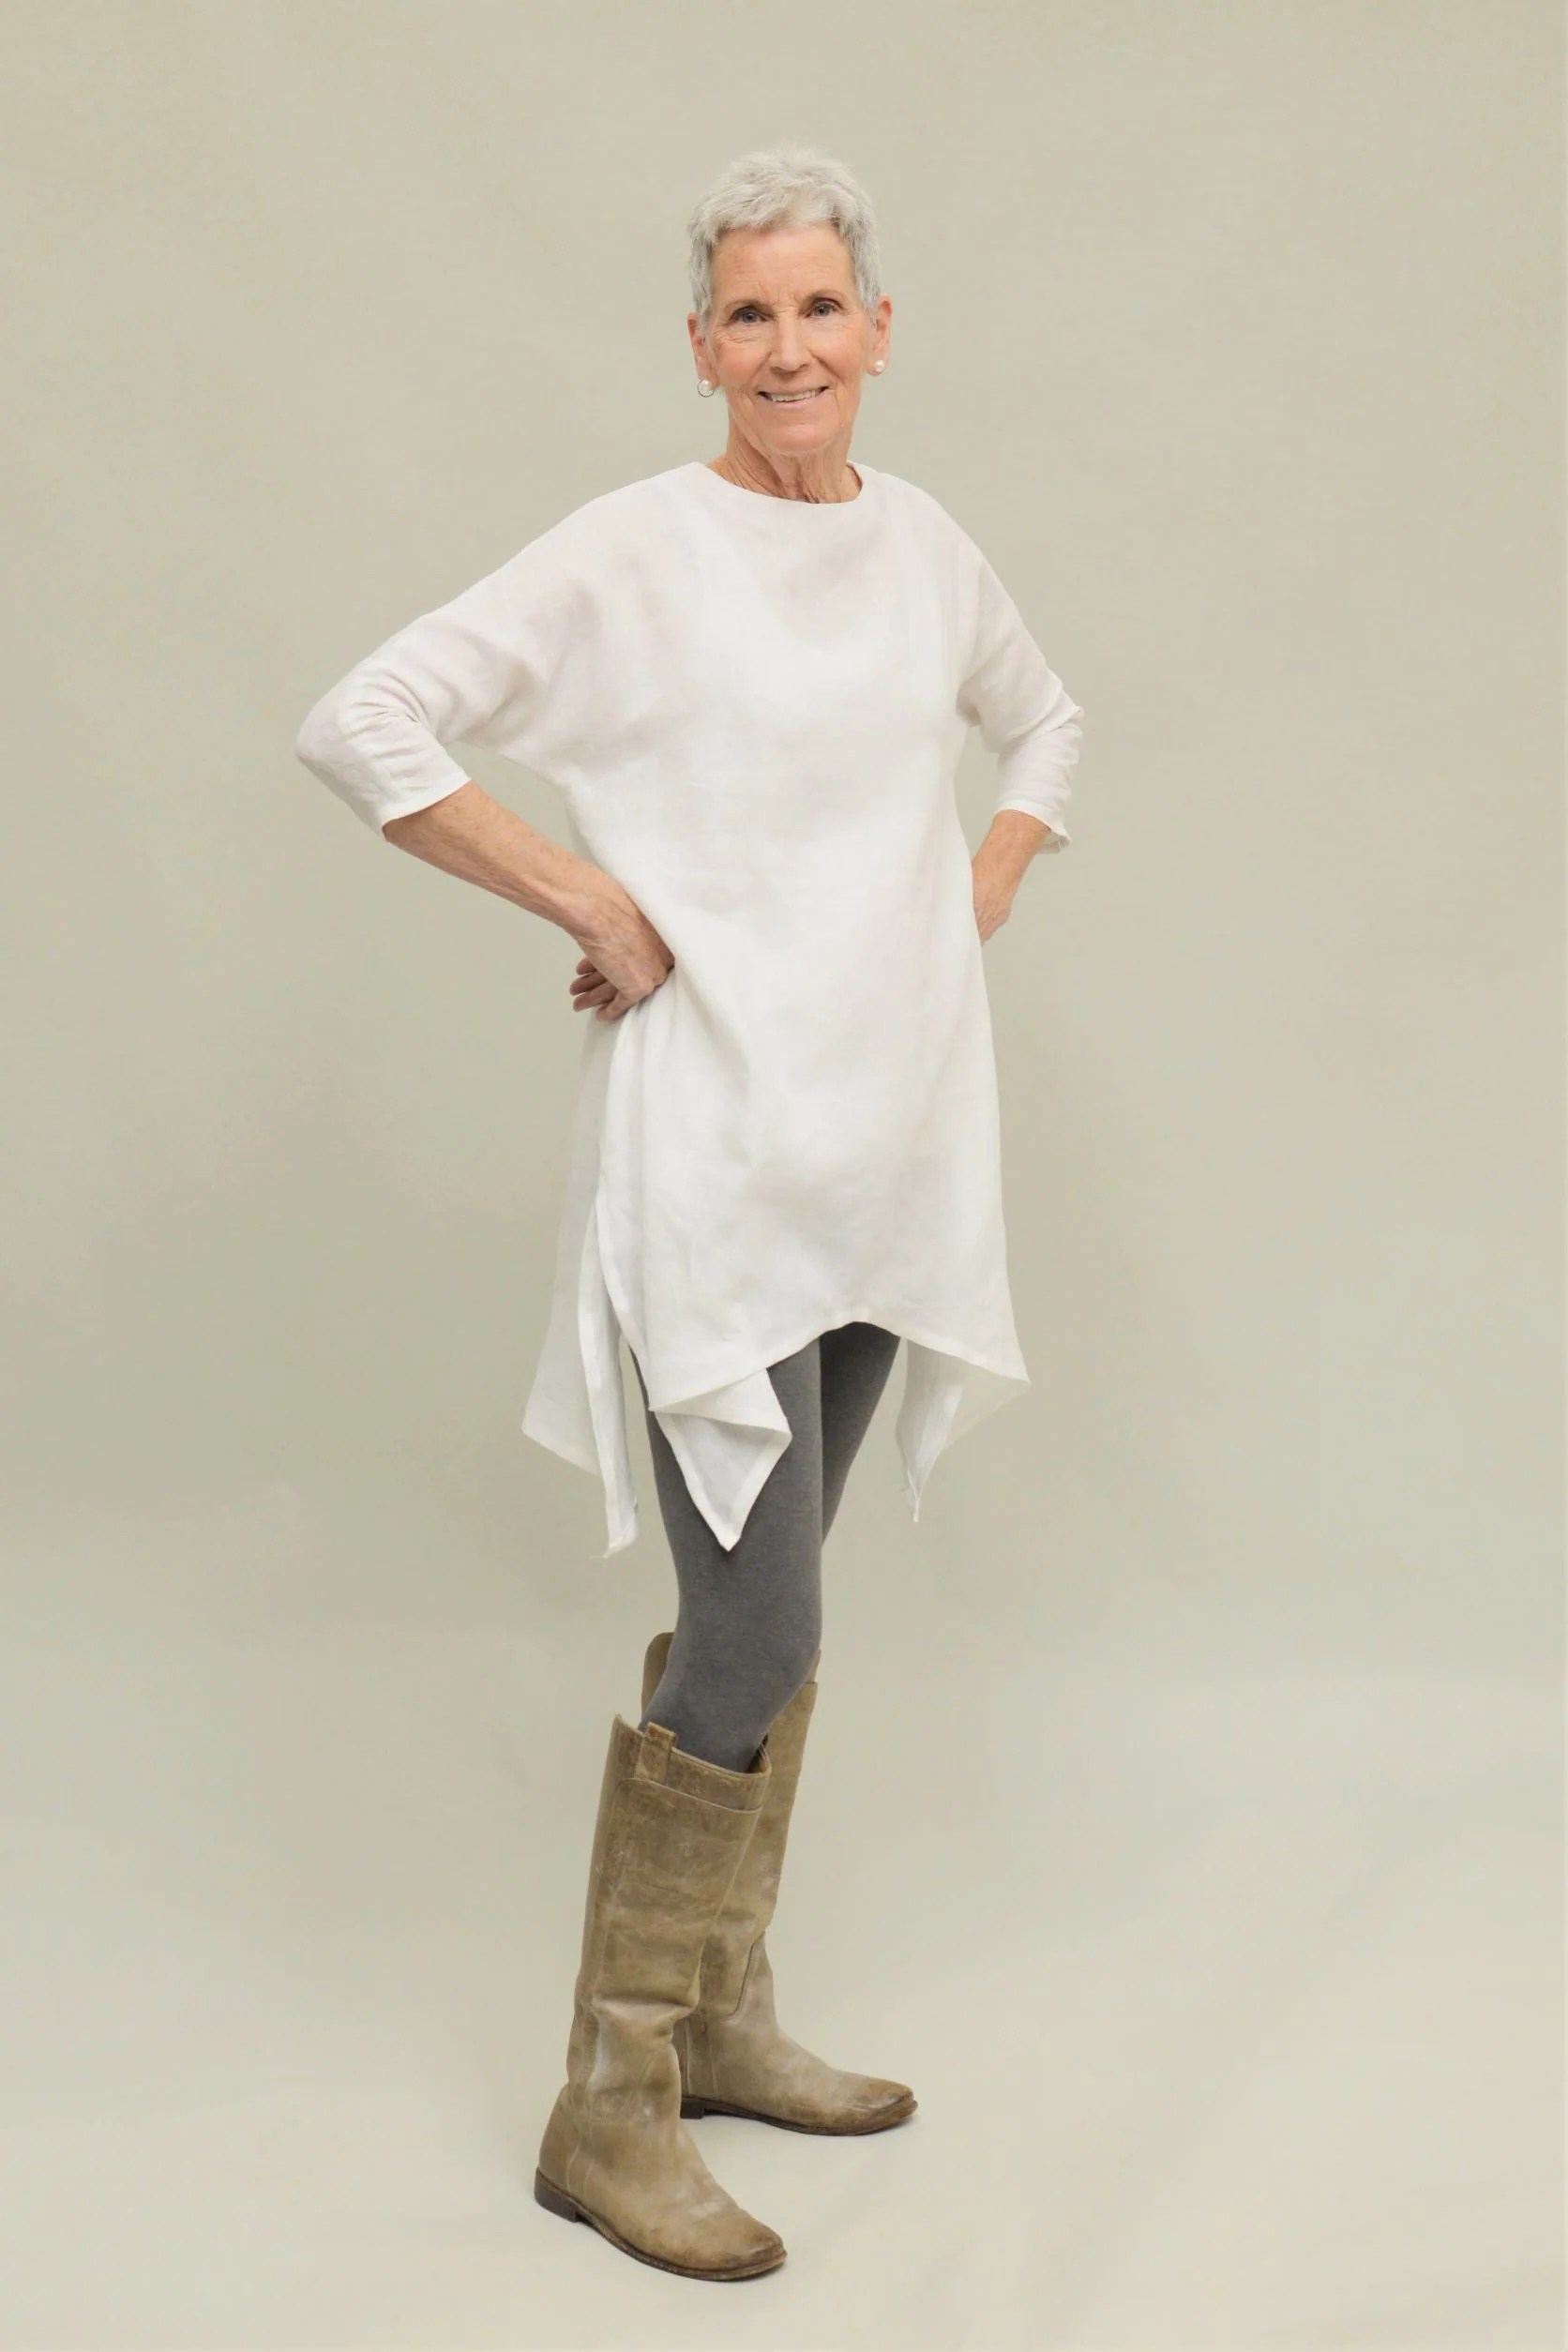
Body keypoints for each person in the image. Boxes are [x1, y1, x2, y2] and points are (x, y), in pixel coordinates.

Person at [294, 141, 1083, 2284]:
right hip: (717, 1159)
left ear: (879, 329)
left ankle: (719, 2021)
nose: (788, 347)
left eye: (820, 307)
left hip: (891, 1157)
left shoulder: (923, 548)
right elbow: (363, 722)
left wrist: (981, 874)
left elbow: (1041, 722)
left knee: (784, 1604)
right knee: (760, 1624)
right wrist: (584, 894)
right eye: (749, 313)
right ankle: (610, 2100)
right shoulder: (634, 551)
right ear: (700, 344)